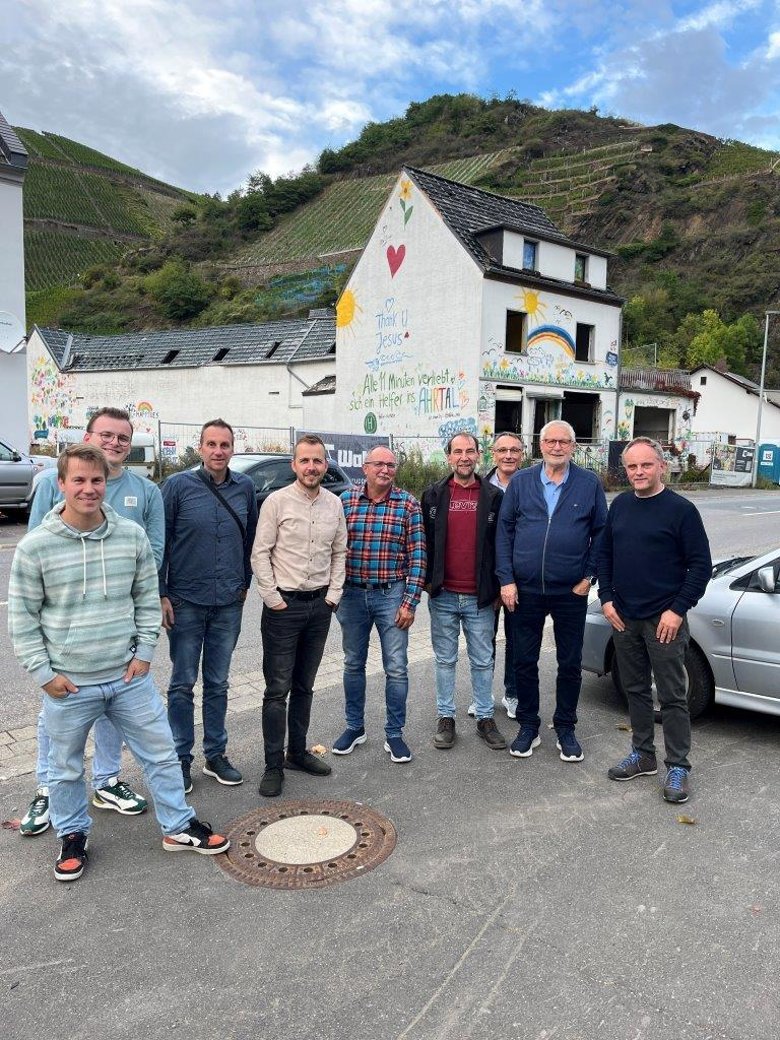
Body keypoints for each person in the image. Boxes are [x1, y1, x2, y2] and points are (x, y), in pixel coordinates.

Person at [8, 444, 229, 882]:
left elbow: (147, 600)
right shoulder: (36, 547)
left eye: (97, 480)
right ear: (61, 484)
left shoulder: (130, 536)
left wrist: (144, 654)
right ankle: (72, 835)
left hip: (128, 679)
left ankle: (178, 826)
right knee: (65, 770)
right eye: (79, 480)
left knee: (162, 756)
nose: (89, 489)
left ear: (106, 483)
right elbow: (22, 619)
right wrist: (44, 675)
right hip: (70, 685)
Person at [20, 407, 165, 837]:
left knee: (113, 711)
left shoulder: (145, 490)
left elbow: (153, 553)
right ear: (89, 437)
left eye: (123, 437)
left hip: (118, 629)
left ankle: (106, 781)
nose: (114, 443)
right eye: (106, 434)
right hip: (67, 641)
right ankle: (47, 790)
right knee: (55, 719)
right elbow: (36, 546)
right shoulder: (55, 481)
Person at [597, 436, 712, 804]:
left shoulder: (681, 511)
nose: (639, 472)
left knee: (673, 696)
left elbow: (701, 567)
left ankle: (678, 766)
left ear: (662, 466)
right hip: (624, 618)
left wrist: (677, 610)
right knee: (635, 690)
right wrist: (606, 599)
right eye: (632, 466)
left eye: (646, 464)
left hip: (664, 621)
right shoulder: (620, 506)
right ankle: (643, 755)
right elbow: (604, 555)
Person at [496, 420, 606, 763]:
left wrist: (589, 577)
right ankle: (528, 725)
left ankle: (566, 727)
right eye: (550, 441)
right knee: (524, 660)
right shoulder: (522, 482)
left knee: (569, 662)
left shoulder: (588, 483)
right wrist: (506, 579)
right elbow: (504, 531)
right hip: (525, 589)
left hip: (571, 591)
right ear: (540, 446)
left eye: (564, 442)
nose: (557, 447)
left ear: (573, 446)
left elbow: (602, 533)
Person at [160, 419, 258, 793]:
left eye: (225, 444)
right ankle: (180, 758)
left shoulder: (244, 487)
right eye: (212, 444)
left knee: (217, 683)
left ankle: (215, 755)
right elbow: (161, 542)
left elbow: (250, 540)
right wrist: (162, 593)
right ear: (200, 447)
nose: (218, 451)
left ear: (233, 448)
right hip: (186, 601)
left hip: (228, 602)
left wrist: (244, 582)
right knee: (182, 684)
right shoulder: (177, 487)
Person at [251, 434, 347, 797]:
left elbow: (340, 552)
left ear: (325, 465)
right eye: (304, 460)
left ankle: (297, 752)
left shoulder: (334, 504)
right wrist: (272, 598)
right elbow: (260, 553)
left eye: (317, 461)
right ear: (294, 465)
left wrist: (333, 596)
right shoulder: (276, 502)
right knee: (278, 690)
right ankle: (273, 765)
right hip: (283, 609)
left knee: (305, 685)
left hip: (319, 607)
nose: (311, 467)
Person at [332, 445, 426, 764]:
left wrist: (410, 602)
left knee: (396, 667)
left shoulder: (408, 504)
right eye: (379, 464)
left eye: (391, 465)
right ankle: (354, 728)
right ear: (365, 467)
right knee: (352, 663)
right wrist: (334, 593)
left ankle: (394, 733)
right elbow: (332, 549)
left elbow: (418, 557)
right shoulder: (345, 501)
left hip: (392, 595)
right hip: (352, 595)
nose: (385, 470)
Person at [421, 431, 506, 751]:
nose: (464, 457)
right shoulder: (433, 495)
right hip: (443, 595)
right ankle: (446, 718)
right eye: (458, 452)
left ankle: (485, 718)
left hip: (480, 596)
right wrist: (427, 580)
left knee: (483, 660)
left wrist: (499, 586)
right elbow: (423, 540)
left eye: (470, 451)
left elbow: (501, 544)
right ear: (449, 457)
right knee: (445, 660)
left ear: (478, 455)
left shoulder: (494, 496)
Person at [467, 431, 524, 721]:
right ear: (493, 453)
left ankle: (512, 694)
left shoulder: (532, 484)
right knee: (483, 639)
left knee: (517, 638)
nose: (508, 455)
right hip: (487, 577)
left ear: (522, 454)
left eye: (514, 450)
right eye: (503, 450)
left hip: (521, 576)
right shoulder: (480, 487)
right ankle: (482, 695)